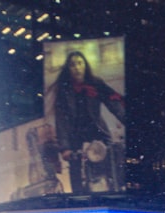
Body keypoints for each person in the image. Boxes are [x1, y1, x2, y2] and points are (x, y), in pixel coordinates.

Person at [51, 51, 125, 194]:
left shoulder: (95, 83)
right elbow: (61, 121)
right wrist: (65, 148)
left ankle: (115, 192)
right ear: (68, 69)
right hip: (75, 137)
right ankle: (79, 202)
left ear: (85, 65)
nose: (77, 67)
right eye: (73, 65)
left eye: (80, 63)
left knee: (112, 165)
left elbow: (113, 103)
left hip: (97, 132)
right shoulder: (63, 90)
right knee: (76, 174)